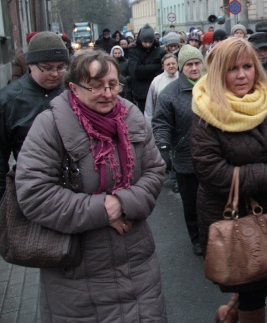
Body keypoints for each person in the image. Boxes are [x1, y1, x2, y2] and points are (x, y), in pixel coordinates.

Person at [14, 49, 167, 322]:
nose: (107, 93)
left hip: (137, 264)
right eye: (95, 86)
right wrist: (102, 209)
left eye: (112, 85)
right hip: (76, 271)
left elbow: (155, 171)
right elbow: (34, 193)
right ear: (73, 87)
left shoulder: (131, 117)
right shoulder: (50, 126)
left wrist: (122, 203)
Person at [191, 38, 267, 323]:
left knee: (262, 271)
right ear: (218, 73)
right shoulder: (206, 110)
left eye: (248, 66)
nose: (242, 75)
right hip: (232, 211)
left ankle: (229, 312)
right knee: (253, 284)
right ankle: (238, 311)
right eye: (233, 68)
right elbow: (211, 171)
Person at [0, 32, 69, 197]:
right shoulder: (9, 101)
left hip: (76, 188)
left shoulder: (73, 91)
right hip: (32, 188)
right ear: (30, 64)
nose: (55, 74)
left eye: (61, 67)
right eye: (47, 68)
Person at [152, 45, 205, 256]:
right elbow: (161, 124)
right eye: (189, 64)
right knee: (191, 203)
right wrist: (164, 148)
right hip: (186, 158)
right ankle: (197, 239)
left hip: (214, 157)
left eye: (197, 63)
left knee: (213, 199)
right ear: (181, 67)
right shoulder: (169, 94)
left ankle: (214, 234)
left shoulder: (213, 86)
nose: (194, 68)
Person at [128, 23, 165, 112]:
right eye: (145, 42)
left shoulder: (160, 51)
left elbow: (163, 70)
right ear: (141, 40)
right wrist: (156, 66)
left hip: (158, 90)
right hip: (141, 93)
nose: (148, 44)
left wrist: (144, 67)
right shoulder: (134, 51)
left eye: (150, 42)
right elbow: (135, 71)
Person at [144, 53, 179, 123]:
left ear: (177, 64)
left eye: (173, 63)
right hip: (162, 120)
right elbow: (150, 106)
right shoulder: (156, 81)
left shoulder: (183, 78)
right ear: (163, 66)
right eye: (168, 64)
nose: (171, 66)